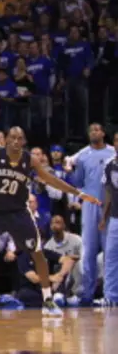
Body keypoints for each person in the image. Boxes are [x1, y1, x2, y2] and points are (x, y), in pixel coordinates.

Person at [0, 127, 99, 316]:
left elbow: (51, 179)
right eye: (13, 137)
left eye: (20, 138)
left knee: (37, 253)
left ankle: (48, 299)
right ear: (6, 139)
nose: (16, 141)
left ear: (24, 141)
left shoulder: (29, 160)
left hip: (19, 212)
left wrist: (78, 193)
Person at [67, 123, 115, 305]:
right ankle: (87, 294)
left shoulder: (113, 152)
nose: (94, 132)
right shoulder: (82, 155)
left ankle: (109, 295)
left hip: (110, 207)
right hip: (90, 205)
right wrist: (73, 169)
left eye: (97, 129)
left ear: (103, 133)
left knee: (110, 251)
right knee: (89, 252)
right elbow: (77, 182)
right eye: (91, 131)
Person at [102, 153, 118, 305]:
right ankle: (110, 297)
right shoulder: (109, 165)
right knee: (111, 258)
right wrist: (103, 217)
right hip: (115, 217)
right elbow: (108, 194)